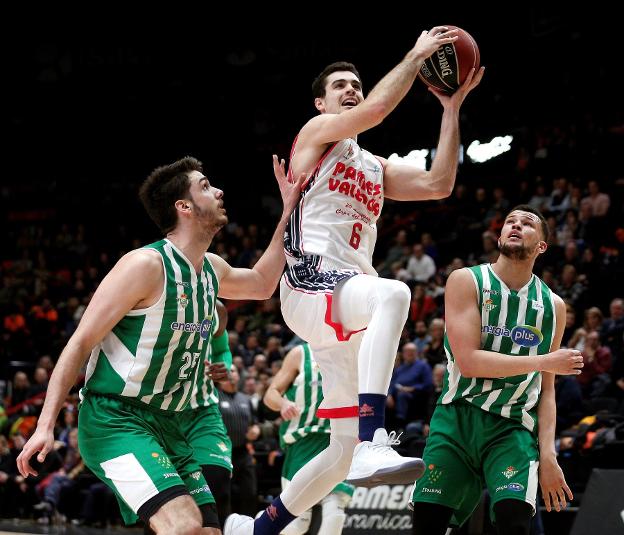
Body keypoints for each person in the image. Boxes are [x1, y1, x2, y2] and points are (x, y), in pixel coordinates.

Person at [226, 27, 484, 535]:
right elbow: (372, 115)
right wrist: (414, 56)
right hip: (309, 280)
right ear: (320, 102)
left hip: (346, 299)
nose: (351, 90)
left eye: (356, 84)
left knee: (339, 455)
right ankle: (374, 439)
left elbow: (439, 184)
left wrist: (450, 109)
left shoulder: (373, 165)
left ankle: (257, 529)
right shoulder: (314, 136)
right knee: (395, 292)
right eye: (340, 85)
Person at [17, 155, 304, 535]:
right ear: (183, 207)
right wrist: (45, 425)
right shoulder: (145, 266)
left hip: (170, 424)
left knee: (206, 531)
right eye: (204, 186)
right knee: (183, 525)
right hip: (116, 419)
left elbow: (262, 283)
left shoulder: (212, 270)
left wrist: (289, 213)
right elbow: (80, 342)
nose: (218, 191)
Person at [411, 206, 583, 535]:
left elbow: (547, 391)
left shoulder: (553, 306)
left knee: (514, 523)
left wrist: (548, 455)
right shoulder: (466, 280)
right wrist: (544, 361)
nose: (516, 225)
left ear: (542, 246)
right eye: (510, 222)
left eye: (527, 223)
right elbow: (470, 362)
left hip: (513, 427)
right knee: (427, 526)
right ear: (500, 235)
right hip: (457, 419)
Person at [263, 343, 355, 535]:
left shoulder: (350, 349)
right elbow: (270, 394)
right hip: (303, 441)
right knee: (297, 524)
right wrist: (282, 403)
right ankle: (252, 528)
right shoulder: (300, 354)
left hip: (338, 438)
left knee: (335, 510)